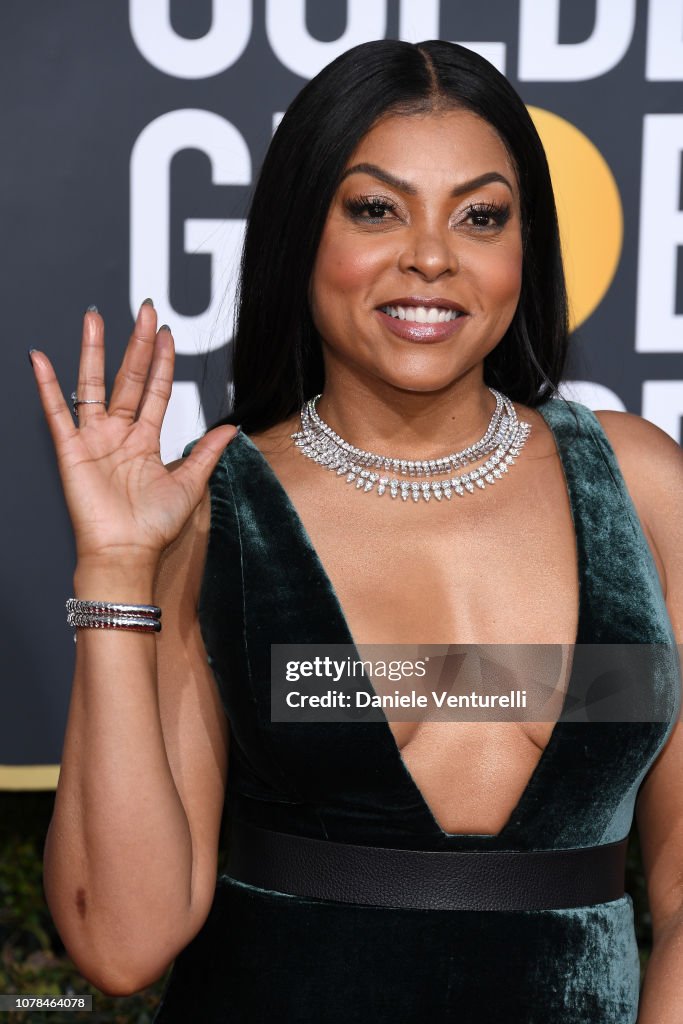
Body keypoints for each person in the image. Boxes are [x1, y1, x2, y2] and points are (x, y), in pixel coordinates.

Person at [30, 38, 682, 1024]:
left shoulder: (639, 486)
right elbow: (121, 945)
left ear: (523, 246)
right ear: (301, 233)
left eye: (480, 216)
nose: (430, 255)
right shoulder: (209, 511)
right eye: (375, 208)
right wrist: (120, 568)